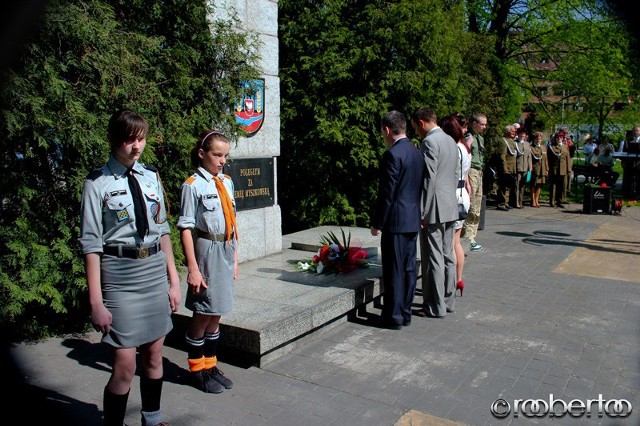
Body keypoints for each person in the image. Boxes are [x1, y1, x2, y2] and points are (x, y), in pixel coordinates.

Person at [79, 109, 181, 426]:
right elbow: (91, 245)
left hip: (152, 272)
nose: (136, 147)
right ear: (114, 140)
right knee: (124, 365)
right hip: (120, 277)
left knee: (153, 356)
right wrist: (96, 302)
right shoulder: (97, 183)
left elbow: (163, 231)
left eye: (141, 139)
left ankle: (152, 418)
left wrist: (174, 281)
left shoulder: (151, 176)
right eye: (129, 140)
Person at [177, 130, 239, 392]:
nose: (222, 160)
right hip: (207, 248)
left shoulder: (226, 182)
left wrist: (235, 257)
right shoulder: (193, 185)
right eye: (217, 155)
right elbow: (186, 228)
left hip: (225, 248)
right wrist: (193, 268)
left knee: (217, 312)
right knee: (203, 312)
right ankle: (196, 369)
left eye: (225, 155)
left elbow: (233, 221)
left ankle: (211, 365)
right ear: (202, 154)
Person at [370, 110, 425, 329]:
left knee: (394, 269)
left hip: (395, 222)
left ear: (386, 129)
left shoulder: (392, 155)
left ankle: (393, 316)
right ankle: (405, 312)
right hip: (412, 219)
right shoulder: (416, 152)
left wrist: (377, 222)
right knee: (409, 269)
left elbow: (387, 193)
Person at [411, 107, 458, 318]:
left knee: (434, 258)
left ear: (421, 123)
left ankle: (434, 306)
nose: (417, 133)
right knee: (448, 255)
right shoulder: (450, 140)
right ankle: (448, 302)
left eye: (416, 128)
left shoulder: (429, 142)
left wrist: (423, 210)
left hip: (435, 207)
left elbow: (428, 179)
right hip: (450, 204)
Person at [440, 114, 471, 298]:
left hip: (455, 196)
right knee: (457, 242)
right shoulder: (465, 147)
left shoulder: (455, 148)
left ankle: (450, 281)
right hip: (462, 195)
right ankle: (458, 279)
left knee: (451, 243)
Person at [462, 113, 487, 252]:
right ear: (474, 123)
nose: (484, 127)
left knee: (477, 205)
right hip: (471, 171)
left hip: (479, 171)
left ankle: (471, 236)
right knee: (471, 205)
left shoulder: (480, 139)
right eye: (482, 124)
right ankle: (467, 237)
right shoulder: (469, 137)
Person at [547, 130, 572, 208]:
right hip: (554, 169)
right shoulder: (552, 147)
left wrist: (569, 169)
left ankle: (560, 201)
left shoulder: (565, 147)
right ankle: (552, 201)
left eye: (561, 137)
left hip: (563, 169)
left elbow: (568, 158)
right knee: (554, 186)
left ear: (563, 138)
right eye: (558, 137)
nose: (559, 138)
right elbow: (548, 159)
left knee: (562, 186)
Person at [496, 124, 518, 211]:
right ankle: (501, 204)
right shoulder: (504, 141)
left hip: (512, 167)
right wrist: (505, 169)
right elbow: (502, 156)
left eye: (514, 131)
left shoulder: (511, 141)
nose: (514, 133)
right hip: (506, 168)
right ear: (507, 132)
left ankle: (506, 202)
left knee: (508, 186)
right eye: (512, 131)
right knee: (502, 186)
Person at [529, 131, 548, 208]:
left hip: (542, 169)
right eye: (537, 139)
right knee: (533, 185)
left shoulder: (543, 148)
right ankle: (533, 200)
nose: (538, 140)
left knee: (539, 185)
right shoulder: (531, 147)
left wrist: (547, 169)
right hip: (535, 169)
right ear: (534, 139)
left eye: (540, 139)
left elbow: (546, 159)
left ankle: (537, 200)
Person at [514, 127, 532, 208]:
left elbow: (529, 156)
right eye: (521, 134)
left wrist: (530, 167)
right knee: (517, 185)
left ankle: (521, 202)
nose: (522, 135)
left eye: (524, 134)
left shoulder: (527, 144)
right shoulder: (515, 143)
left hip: (525, 167)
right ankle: (516, 202)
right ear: (518, 134)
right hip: (518, 167)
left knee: (523, 186)